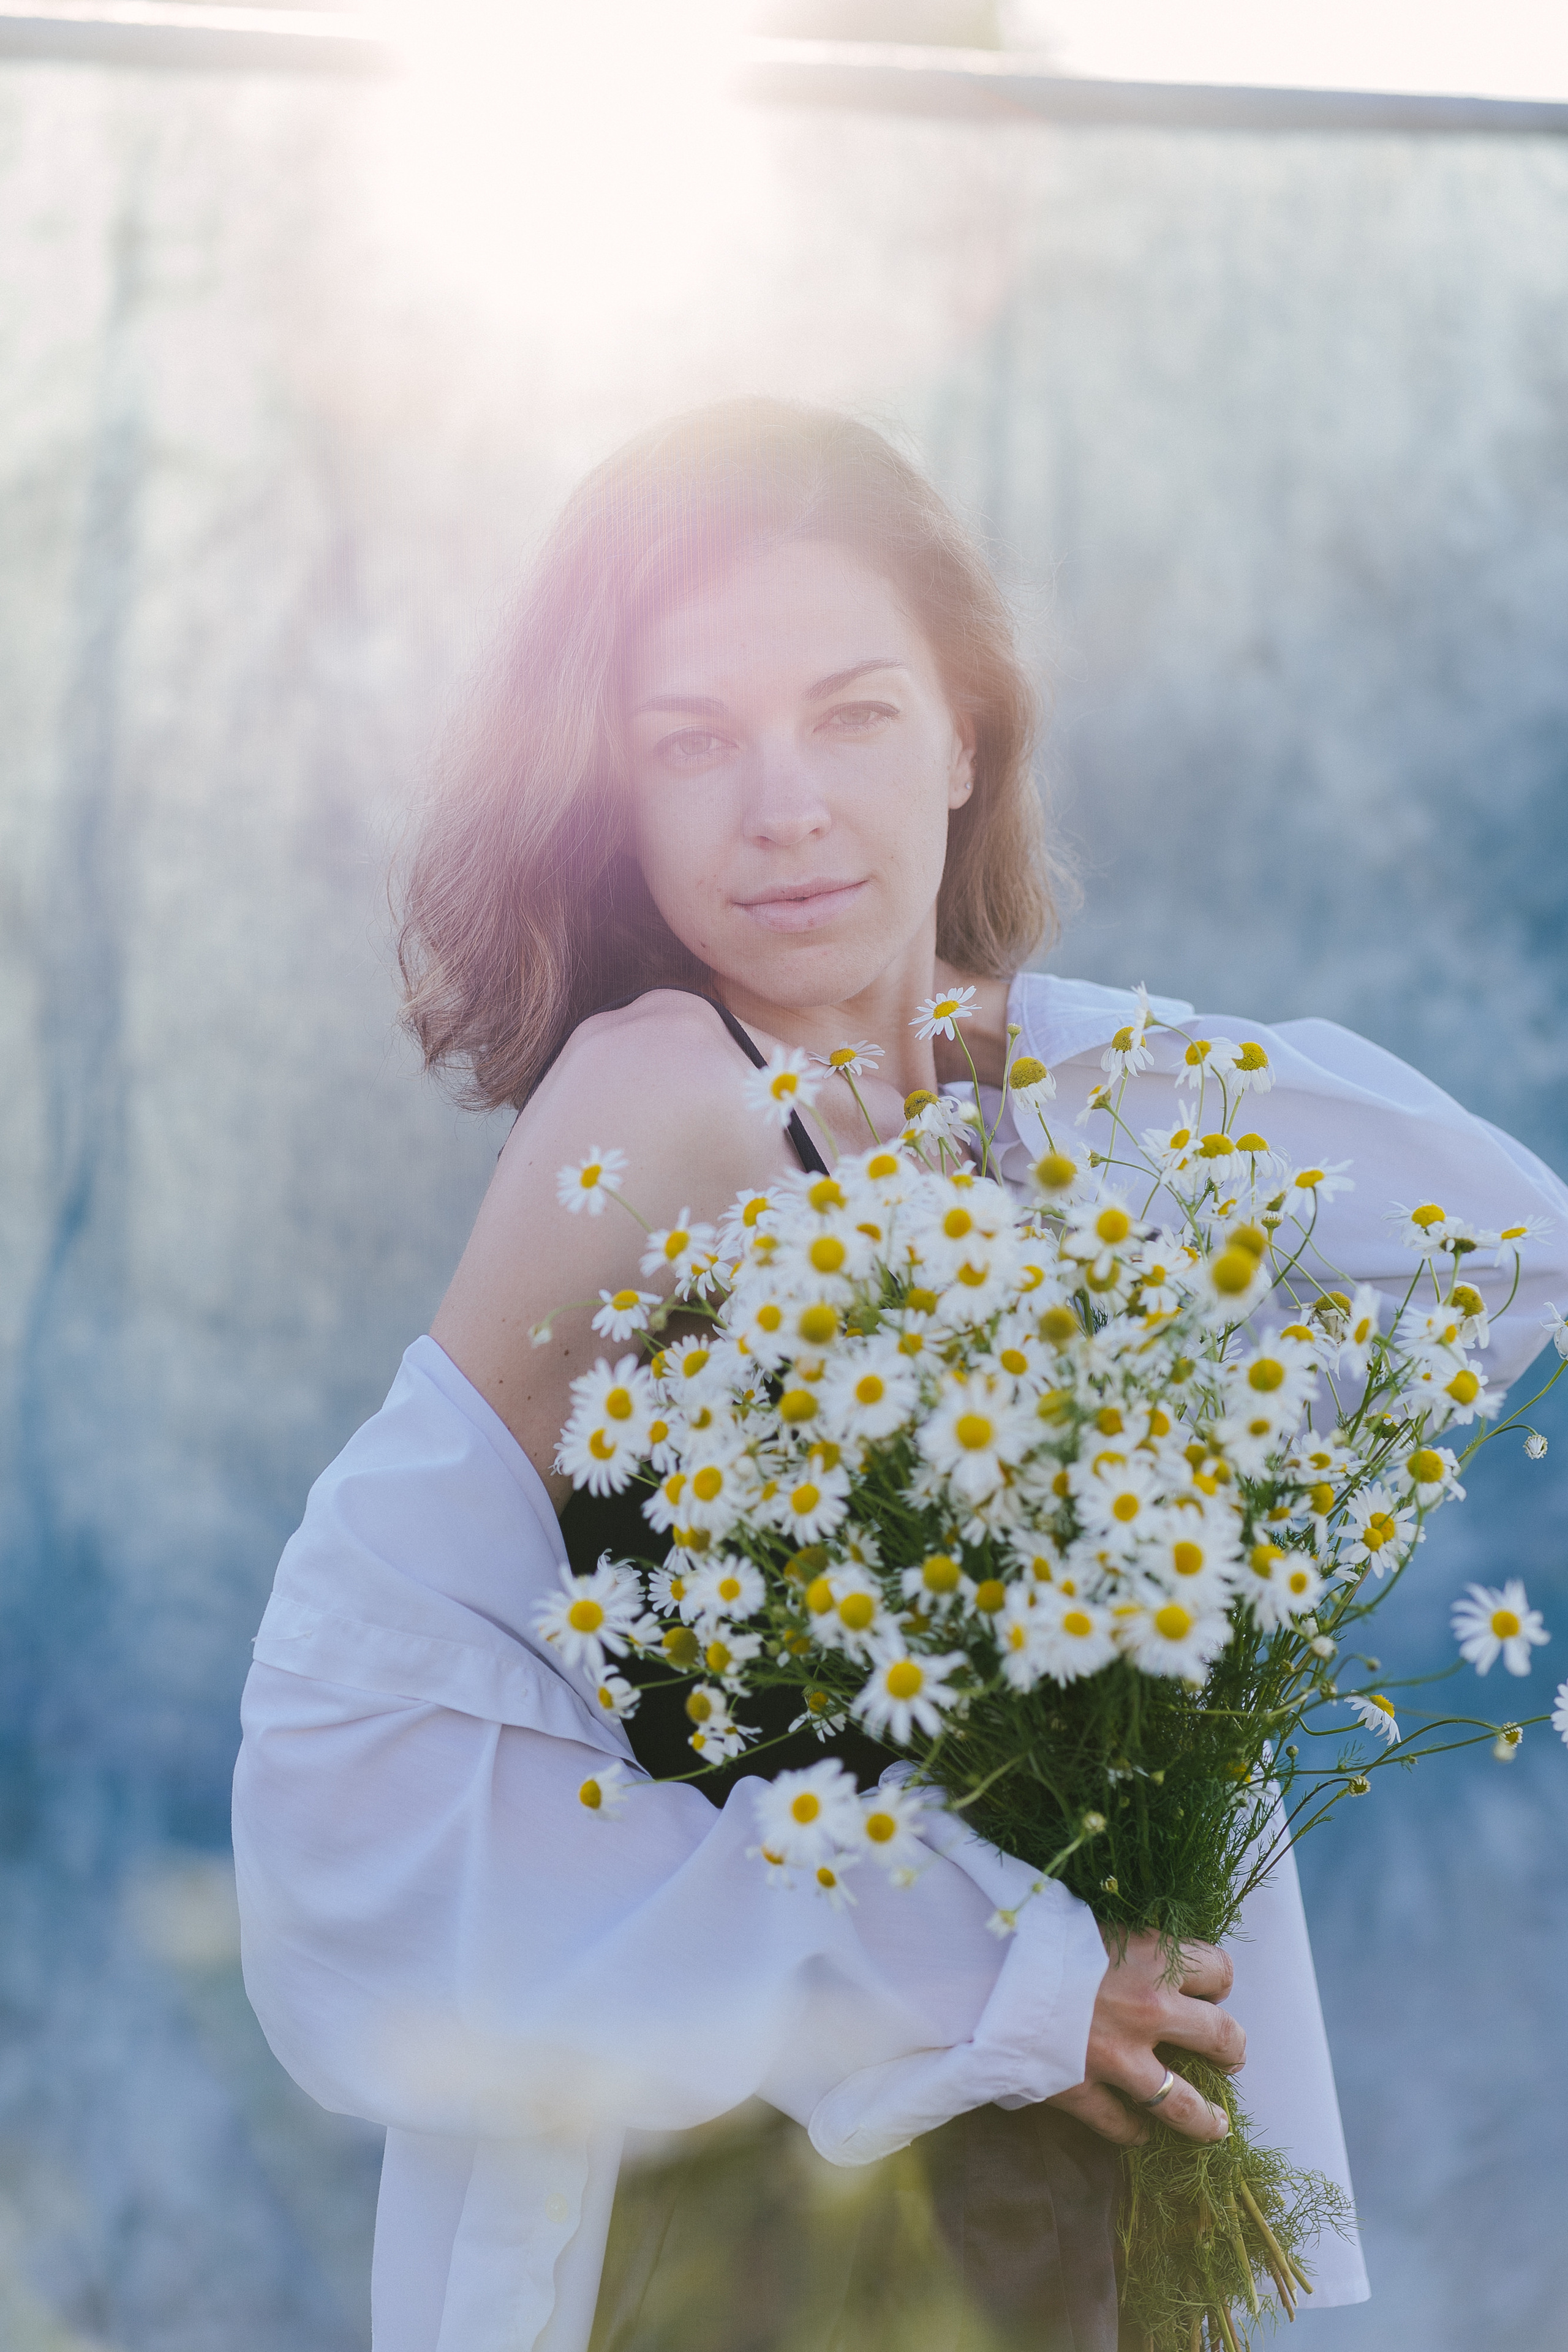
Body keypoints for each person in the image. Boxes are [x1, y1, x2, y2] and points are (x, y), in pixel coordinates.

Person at [232, 400, 1568, 2352]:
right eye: (692, 743)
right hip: (770, 2237)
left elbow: (1512, 1244)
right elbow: (348, 1755)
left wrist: (1017, 1041)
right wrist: (994, 1970)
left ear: (968, 735)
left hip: (1064, 2198)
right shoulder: (664, 1103)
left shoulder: (1035, 1142)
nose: (782, 806)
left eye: (853, 714)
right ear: (614, 795)